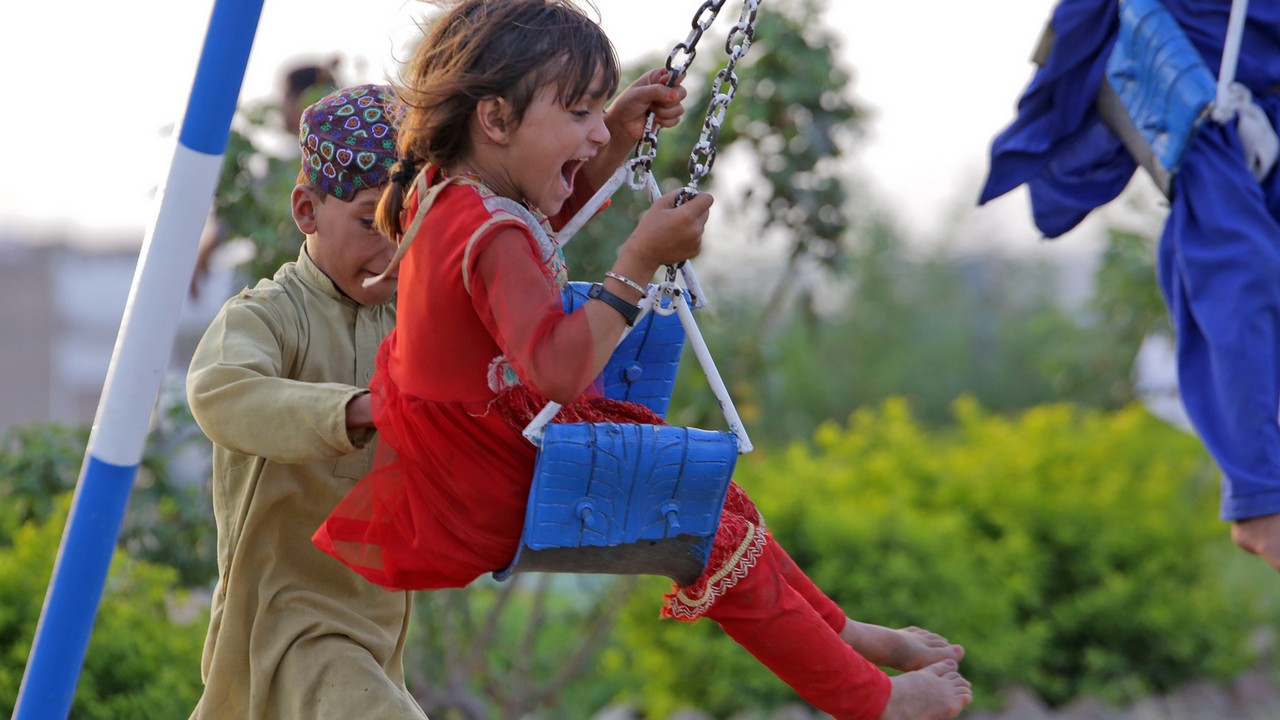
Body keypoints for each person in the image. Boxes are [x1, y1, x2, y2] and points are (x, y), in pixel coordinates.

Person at [312, 2, 972, 718]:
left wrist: (618, 138)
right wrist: (637, 264)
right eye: (580, 112)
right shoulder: (489, 230)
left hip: (468, 444)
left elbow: (533, 236)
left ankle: (848, 636)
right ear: (496, 120)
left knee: (711, 499)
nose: (596, 129)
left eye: (600, 113)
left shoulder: (451, 191)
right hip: (489, 479)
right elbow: (558, 369)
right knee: (695, 519)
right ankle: (870, 701)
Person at [186, 83, 427, 719]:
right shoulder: (270, 315)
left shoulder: (413, 321)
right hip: (284, 625)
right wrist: (362, 410)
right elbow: (219, 391)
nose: (391, 249)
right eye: (371, 220)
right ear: (306, 210)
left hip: (376, 632)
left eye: (408, 223)